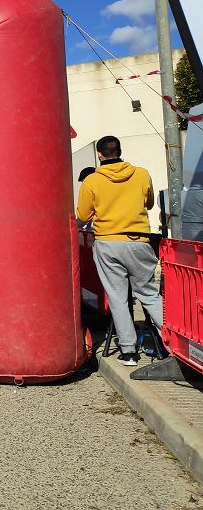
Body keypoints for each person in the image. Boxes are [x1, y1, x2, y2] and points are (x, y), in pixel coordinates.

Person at [76, 135, 163, 366]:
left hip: (108, 242)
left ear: (100, 155)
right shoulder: (142, 174)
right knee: (149, 294)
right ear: (120, 151)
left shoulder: (92, 181)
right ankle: (175, 342)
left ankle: (128, 352)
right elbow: (149, 203)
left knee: (117, 297)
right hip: (140, 241)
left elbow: (83, 216)